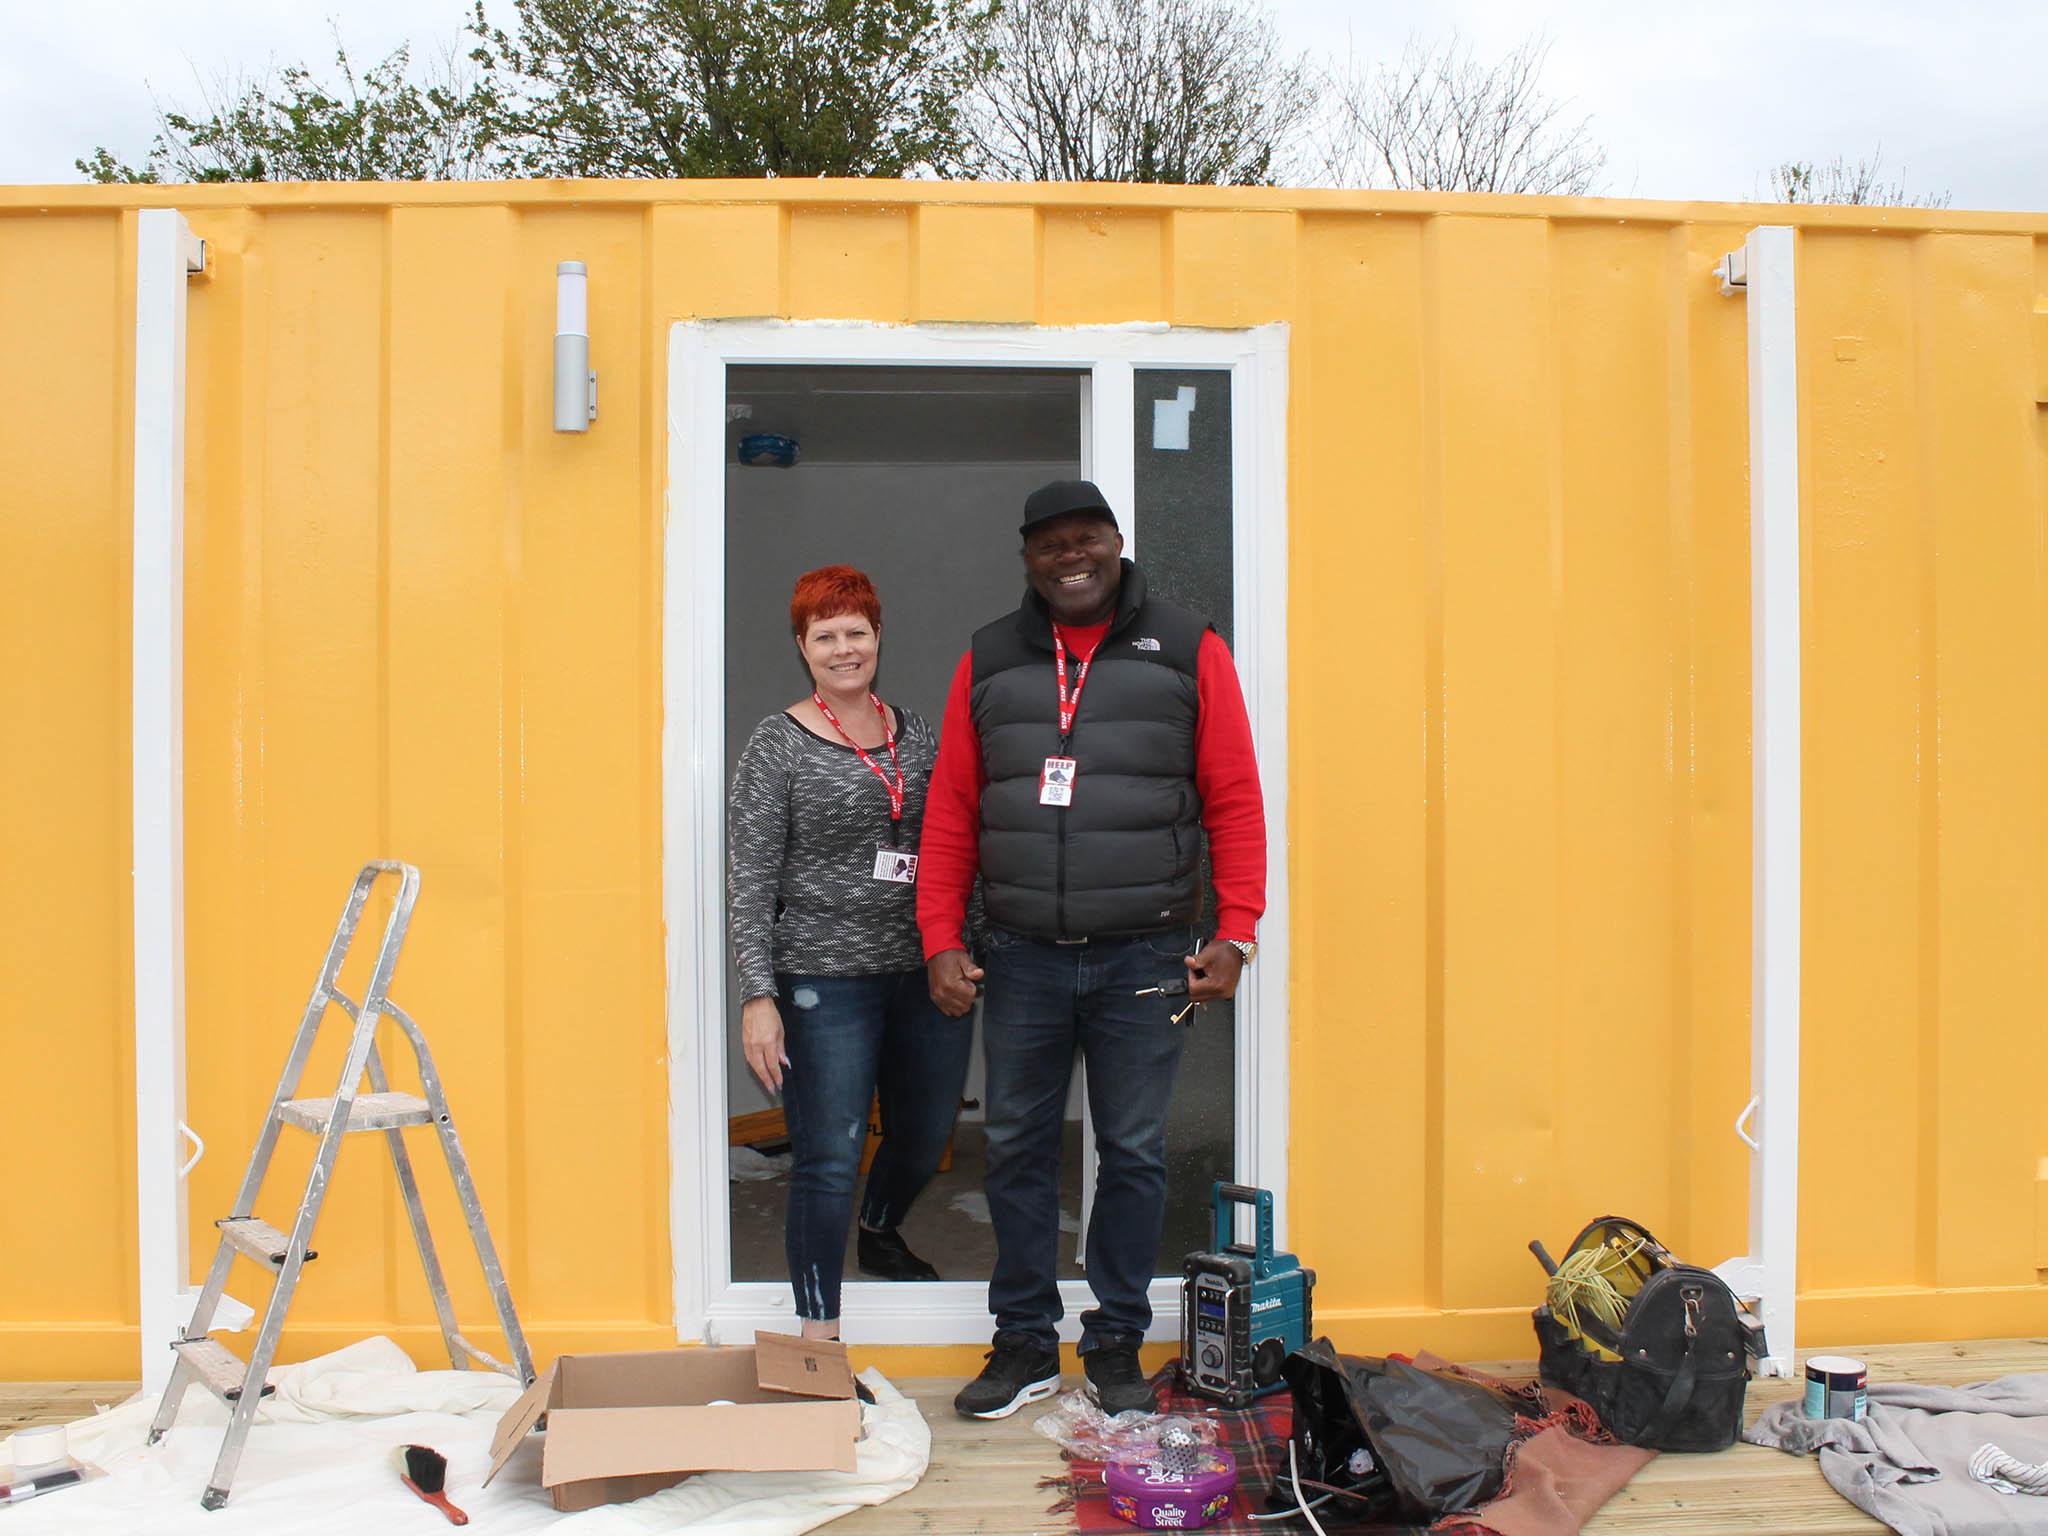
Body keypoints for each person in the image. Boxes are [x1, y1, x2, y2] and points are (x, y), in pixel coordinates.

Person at [916, 481, 1267, 1417]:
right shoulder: (989, 656)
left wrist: (1237, 931)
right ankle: (1025, 1343)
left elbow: (1233, 793)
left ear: (1117, 543)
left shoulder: (1189, 647)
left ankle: (1113, 1341)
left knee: (1135, 1152)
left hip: (1145, 956)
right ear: (1027, 558)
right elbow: (952, 804)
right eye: (1049, 546)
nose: (1070, 558)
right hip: (1021, 955)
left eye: (1087, 540)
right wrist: (940, 935)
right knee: (1019, 1148)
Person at [727, 564, 973, 1340]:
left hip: (922, 968)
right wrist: (757, 995)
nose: (843, 649)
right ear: (802, 648)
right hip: (820, 980)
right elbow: (750, 877)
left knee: (927, 1131)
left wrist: (966, 942)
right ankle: (817, 1337)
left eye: (855, 633)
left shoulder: (918, 732)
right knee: (829, 1155)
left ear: (878, 638)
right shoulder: (777, 744)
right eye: (824, 636)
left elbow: (954, 841)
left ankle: (880, 1227)